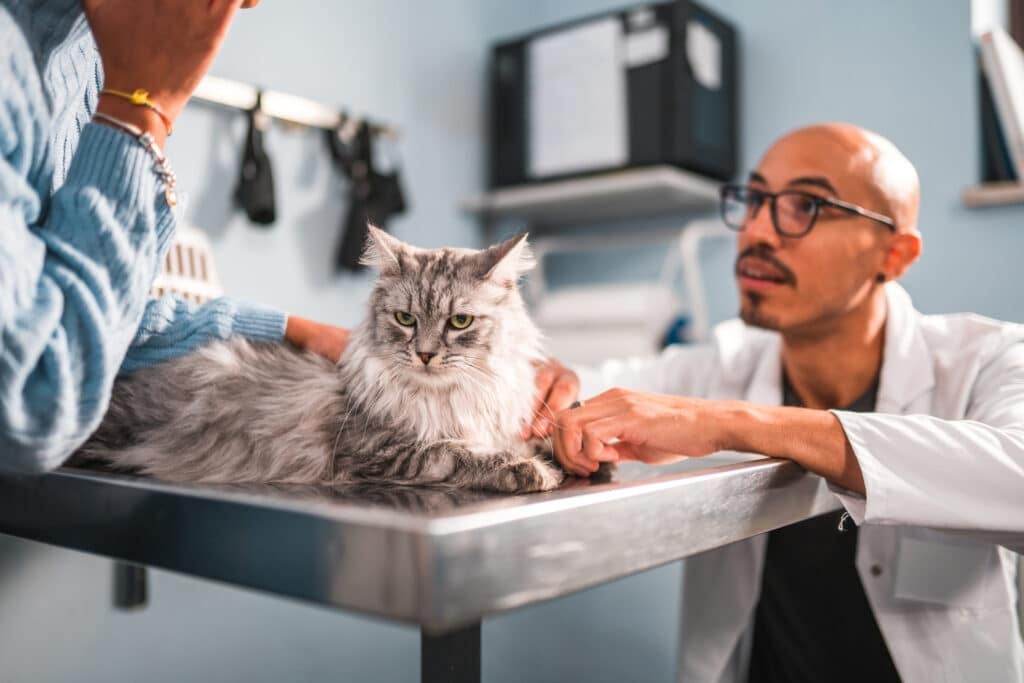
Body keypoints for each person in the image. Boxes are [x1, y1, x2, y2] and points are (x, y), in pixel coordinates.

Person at [526, 123, 1024, 681]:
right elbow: (585, 390)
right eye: (756, 199)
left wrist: (729, 423)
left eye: (805, 205)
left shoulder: (988, 359)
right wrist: (546, 382)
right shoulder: (721, 365)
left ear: (895, 254)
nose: (758, 230)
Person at [0, 0, 348, 472]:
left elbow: (87, 318)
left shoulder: (84, 63)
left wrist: (284, 332)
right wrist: (138, 112)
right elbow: (27, 401)